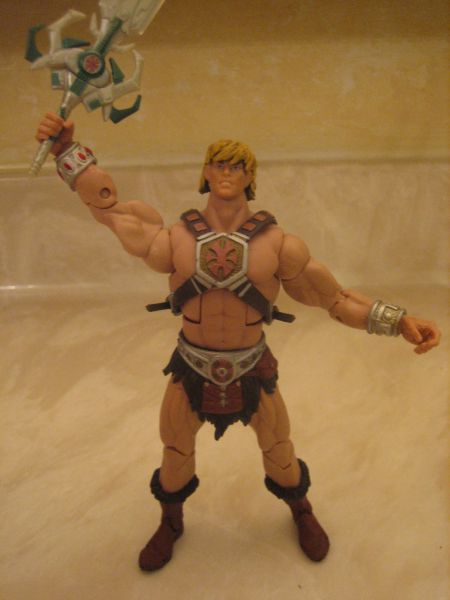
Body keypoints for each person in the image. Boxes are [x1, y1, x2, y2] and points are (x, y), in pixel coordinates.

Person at [36, 113, 440, 571]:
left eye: (237, 166)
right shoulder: (175, 238)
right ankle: (171, 521)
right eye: (219, 164)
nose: (227, 172)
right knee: (175, 453)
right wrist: (68, 153)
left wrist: (399, 321)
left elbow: (335, 298)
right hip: (191, 365)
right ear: (206, 173)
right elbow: (110, 210)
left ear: (250, 177)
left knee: (280, 451)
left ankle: (300, 509)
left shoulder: (280, 245)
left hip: (252, 366)